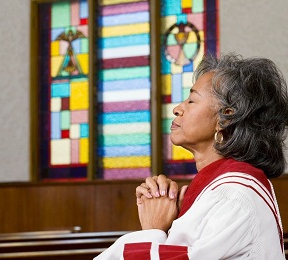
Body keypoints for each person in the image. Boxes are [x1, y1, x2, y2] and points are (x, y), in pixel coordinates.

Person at [94, 53, 288, 259]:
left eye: (192, 100)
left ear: (226, 118)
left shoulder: (233, 196)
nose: (178, 109)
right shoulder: (217, 190)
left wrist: (152, 230)